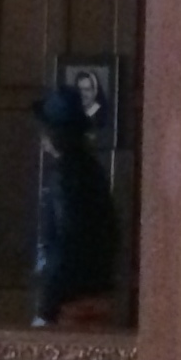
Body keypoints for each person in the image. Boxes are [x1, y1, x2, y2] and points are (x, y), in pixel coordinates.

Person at [32, 83, 117, 326]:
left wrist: (48, 303)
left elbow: (68, 240)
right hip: (98, 289)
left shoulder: (65, 174)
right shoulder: (92, 170)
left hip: (68, 299)